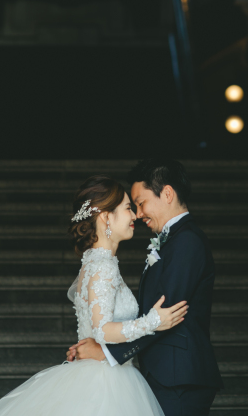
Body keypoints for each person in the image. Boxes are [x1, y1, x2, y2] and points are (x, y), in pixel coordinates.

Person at [0, 175, 188, 416]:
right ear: (106, 216)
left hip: (103, 370)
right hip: (106, 380)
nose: (134, 216)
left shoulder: (97, 261)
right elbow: (101, 330)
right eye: (127, 209)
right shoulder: (102, 265)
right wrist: (153, 321)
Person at [68, 158, 223, 416]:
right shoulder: (169, 242)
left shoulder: (187, 242)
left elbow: (168, 313)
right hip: (164, 376)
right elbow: (155, 317)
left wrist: (106, 352)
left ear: (168, 194)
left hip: (179, 377)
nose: (138, 215)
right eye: (132, 207)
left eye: (139, 204)